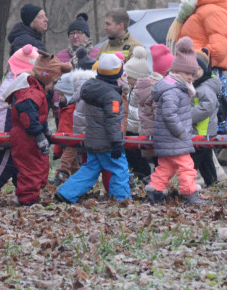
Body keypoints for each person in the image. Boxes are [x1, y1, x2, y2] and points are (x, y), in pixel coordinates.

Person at [55, 54, 130, 203]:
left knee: (90, 169)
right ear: (118, 73)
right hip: (107, 142)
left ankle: (66, 193)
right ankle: (122, 199)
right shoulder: (112, 96)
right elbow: (113, 120)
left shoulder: (90, 87)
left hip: (92, 139)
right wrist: (116, 143)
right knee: (120, 168)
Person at [145, 38, 206, 205]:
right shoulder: (173, 90)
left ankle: (155, 191)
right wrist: (180, 131)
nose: (191, 78)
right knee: (187, 166)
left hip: (169, 139)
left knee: (166, 168)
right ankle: (189, 193)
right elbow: (169, 114)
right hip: (174, 138)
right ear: (178, 71)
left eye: (193, 75)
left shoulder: (176, 88)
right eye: (188, 74)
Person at [0, 45, 38, 205]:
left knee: (19, 168)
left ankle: (27, 199)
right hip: (7, 135)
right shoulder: (18, 84)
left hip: (5, 131)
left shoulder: (9, 79)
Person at [6, 52, 71, 205]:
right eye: (53, 83)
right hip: (26, 137)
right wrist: (39, 135)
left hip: (31, 135)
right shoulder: (32, 92)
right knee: (31, 169)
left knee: (40, 164)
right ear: (46, 78)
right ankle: (27, 199)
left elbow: (38, 115)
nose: (53, 87)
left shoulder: (36, 90)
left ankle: (33, 193)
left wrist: (45, 130)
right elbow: (27, 114)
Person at [51, 68, 95, 186]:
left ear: (69, 93)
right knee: (74, 163)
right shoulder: (64, 107)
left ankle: (62, 173)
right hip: (67, 137)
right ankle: (80, 182)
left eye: (61, 95)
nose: (59, 98)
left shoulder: (74, 108)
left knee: (68, 157)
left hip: (74, 137)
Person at [191, 48, 222, 188]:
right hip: (201, 130)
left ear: (205, 70)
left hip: (203, 130)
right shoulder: (198, 85)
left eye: (198, 69)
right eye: (191, 69)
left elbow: (207, 106)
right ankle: (212, 182)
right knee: (205, 159)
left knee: (194, 159)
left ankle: (188, 181)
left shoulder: (205, 88)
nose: (194, 73)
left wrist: (188, 115)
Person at [123, 47, 153, 186]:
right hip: (129, 128)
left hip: (137, 129)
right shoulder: (129, 88)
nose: (126, 78)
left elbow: (139, 111)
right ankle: (136, 175)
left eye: (129, 76)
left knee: (139, 157)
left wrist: (126, 112)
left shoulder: (142, 91)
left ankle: (145, 176)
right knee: (130, 155)